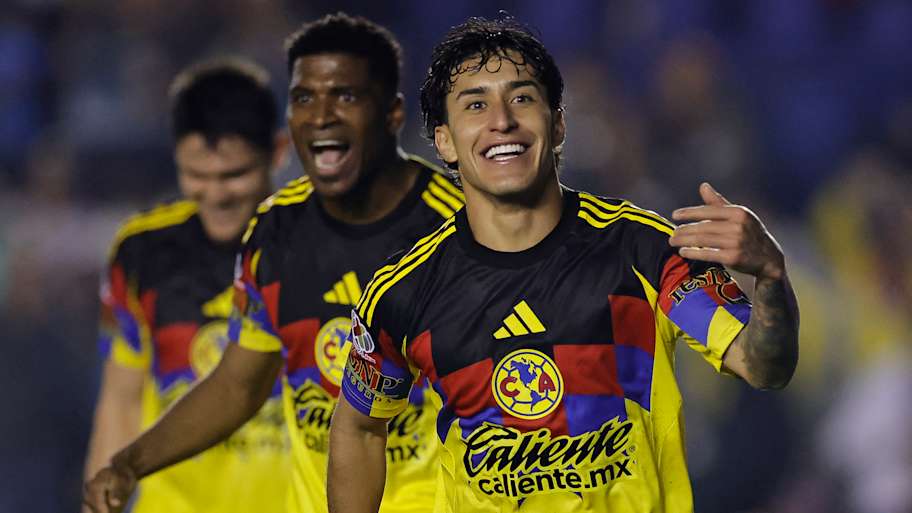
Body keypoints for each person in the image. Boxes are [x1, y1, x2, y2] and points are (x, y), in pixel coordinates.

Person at [328, 16, 800, 513]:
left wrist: (770, 279)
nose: (501, 120)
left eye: (522, 98)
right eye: (475, 105)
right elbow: (359, 425)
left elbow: (763, 364)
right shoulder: (404, 291)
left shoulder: (643, 250)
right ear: (443, 140)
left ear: (557, 123)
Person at [84, 13, 462, 513]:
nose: (321, 115)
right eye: (305, 97)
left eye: (345, 96)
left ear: (393, 114)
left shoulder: (459, 225)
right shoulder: (273, 234)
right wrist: (128, 463)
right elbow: (239, 384)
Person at [83, 58, 291, 513]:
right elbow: (121, 400)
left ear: (277, 152)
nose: (215, 195)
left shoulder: (319, 245)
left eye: (234, 175)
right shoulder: (140, 253)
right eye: (196, 175)